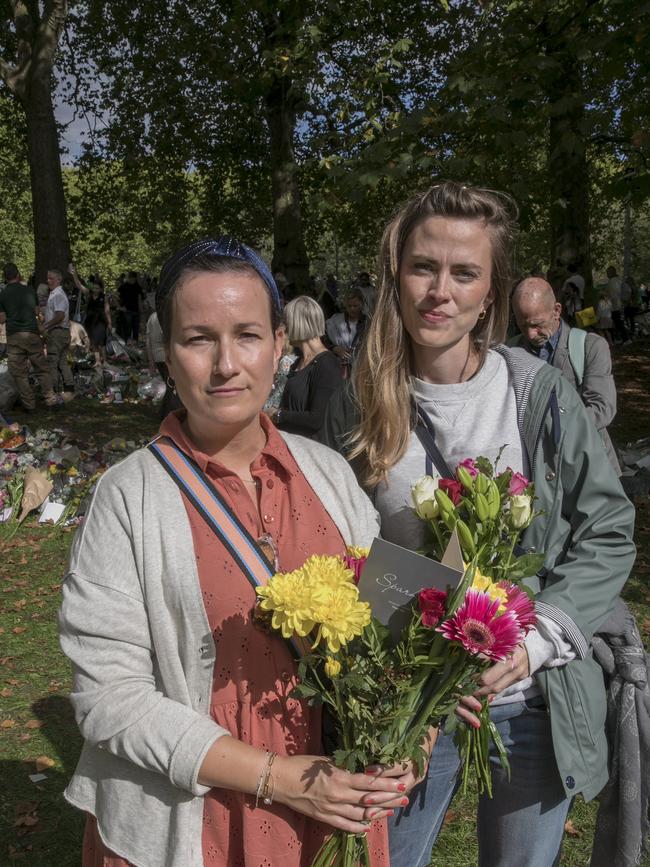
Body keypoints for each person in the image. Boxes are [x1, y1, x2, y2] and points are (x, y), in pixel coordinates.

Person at [60, 237, 427, 867]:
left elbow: (395, 633)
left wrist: (411, 739)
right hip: (195, 819)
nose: (226, 363)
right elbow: (109, 700)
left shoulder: (331, 476)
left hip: (332, 812)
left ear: (280, 344)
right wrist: (280, 778)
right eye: (199, 338)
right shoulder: (127, 497)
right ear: (167, 355)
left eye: (248, 335)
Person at [319, 182, 636, 867]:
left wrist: (536, 643)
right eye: (423, 267)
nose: (440, 290)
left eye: (464, 272)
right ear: (395, 276)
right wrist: (403, 664)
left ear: (490, 292)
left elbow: (607, 524)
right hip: (409, 708)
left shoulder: (540, 395)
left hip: (529, 701)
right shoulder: (355, 402)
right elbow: (330, 552)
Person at [510, 277, 620, 473]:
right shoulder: (509, 351)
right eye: (522, 325)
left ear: (557, 311)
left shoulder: (590, 347)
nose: (530, 334)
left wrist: (550, 431)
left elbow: (602, 408)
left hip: (588, 468)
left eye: (537, 324)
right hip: (535, 472)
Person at [269, 295, 342, 438]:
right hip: (292, 444)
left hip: (313, 450)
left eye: (287, 322)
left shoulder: (327, 364)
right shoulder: (298, 363)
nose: (285, 329)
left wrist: (278, 415)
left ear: (297, 323)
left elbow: (317, 418)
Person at [0, 263, 62, 411]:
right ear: (18, 274)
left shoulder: (2, 294)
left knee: (19, 373)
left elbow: (2, 319)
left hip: (14, 337)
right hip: (32, 334)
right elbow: (37, 312)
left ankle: (29, 405)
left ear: (4, 278)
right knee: (41, 369)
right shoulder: (29, 290)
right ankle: (51, 401)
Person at [69, 265, 113, 366]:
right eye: (94, 287)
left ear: (101, 289)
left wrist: (110, 323)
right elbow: (79, 285)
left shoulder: (104, 297)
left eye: (97, 288)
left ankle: (105, 360)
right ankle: (97, 360)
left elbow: (107, 311)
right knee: (93, 340)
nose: (95, 289)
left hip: (101, 320)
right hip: (90, 320)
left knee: (101, 341)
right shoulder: (88, 294)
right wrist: (74, 274)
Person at [41, 268, 75, 396]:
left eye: (51, 278)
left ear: (59, 280)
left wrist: (46, 326)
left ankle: (53, 391)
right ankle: (69, 387)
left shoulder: (59, 295)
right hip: (61, 332)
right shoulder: (54, 294)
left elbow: (60, 315)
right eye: (47, 278)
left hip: (58, 332)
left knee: (52, 362)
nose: (48, 281)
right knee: (62, 362)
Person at [325, 287, 367, 378]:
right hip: (339, 368)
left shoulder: (368, 323)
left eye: (355, 306)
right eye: (349, 306)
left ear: (362, 305)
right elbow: (324, 340)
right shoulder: (335, 321)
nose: (352, 309)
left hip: (362, 368)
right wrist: (335, 348)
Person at [117, 270, 144, 343]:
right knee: (127, 328)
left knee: (136, 328)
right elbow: (117, 297)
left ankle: (135, 341)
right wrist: (120, 307)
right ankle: (128, 341)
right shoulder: (123, 286)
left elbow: (139, 298)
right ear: (129, 278)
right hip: (127, 310)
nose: (132, 280)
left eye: (133, 279)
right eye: (130, 278)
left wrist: (141, 309)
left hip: (135, 310)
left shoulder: (137, 286)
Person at [606, 266, 628, 343]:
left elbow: (613, 295)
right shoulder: (619, 280)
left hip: (614, 306)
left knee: (618, 323)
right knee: (618, 323)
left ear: (612, 272)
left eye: (608, 272)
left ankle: (625, 339)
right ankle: (623, 338)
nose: (607, 274)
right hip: (618, 305)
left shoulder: (613, 281)